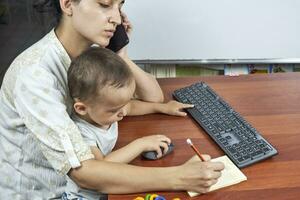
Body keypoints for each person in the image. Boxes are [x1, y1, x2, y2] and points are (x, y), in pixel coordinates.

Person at [0, 0, 224, 199]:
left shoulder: (90, 57)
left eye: (120, 6)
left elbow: (153, 97)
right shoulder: (34, 75)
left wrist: (121, 54)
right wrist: (179, 177)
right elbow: (84, 173)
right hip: (49, 193)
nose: (117, 19)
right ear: (68, 4)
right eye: (105, 5)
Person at [63, 47, 196, 199]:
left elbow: (131, 106)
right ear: (81, 108)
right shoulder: (80, 131)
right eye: (114, 110)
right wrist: (140, 144)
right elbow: (102, 166)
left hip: (105, 190)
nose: (122, 113)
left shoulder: (105, 110)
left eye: (123, 105)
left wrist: (163, 107)